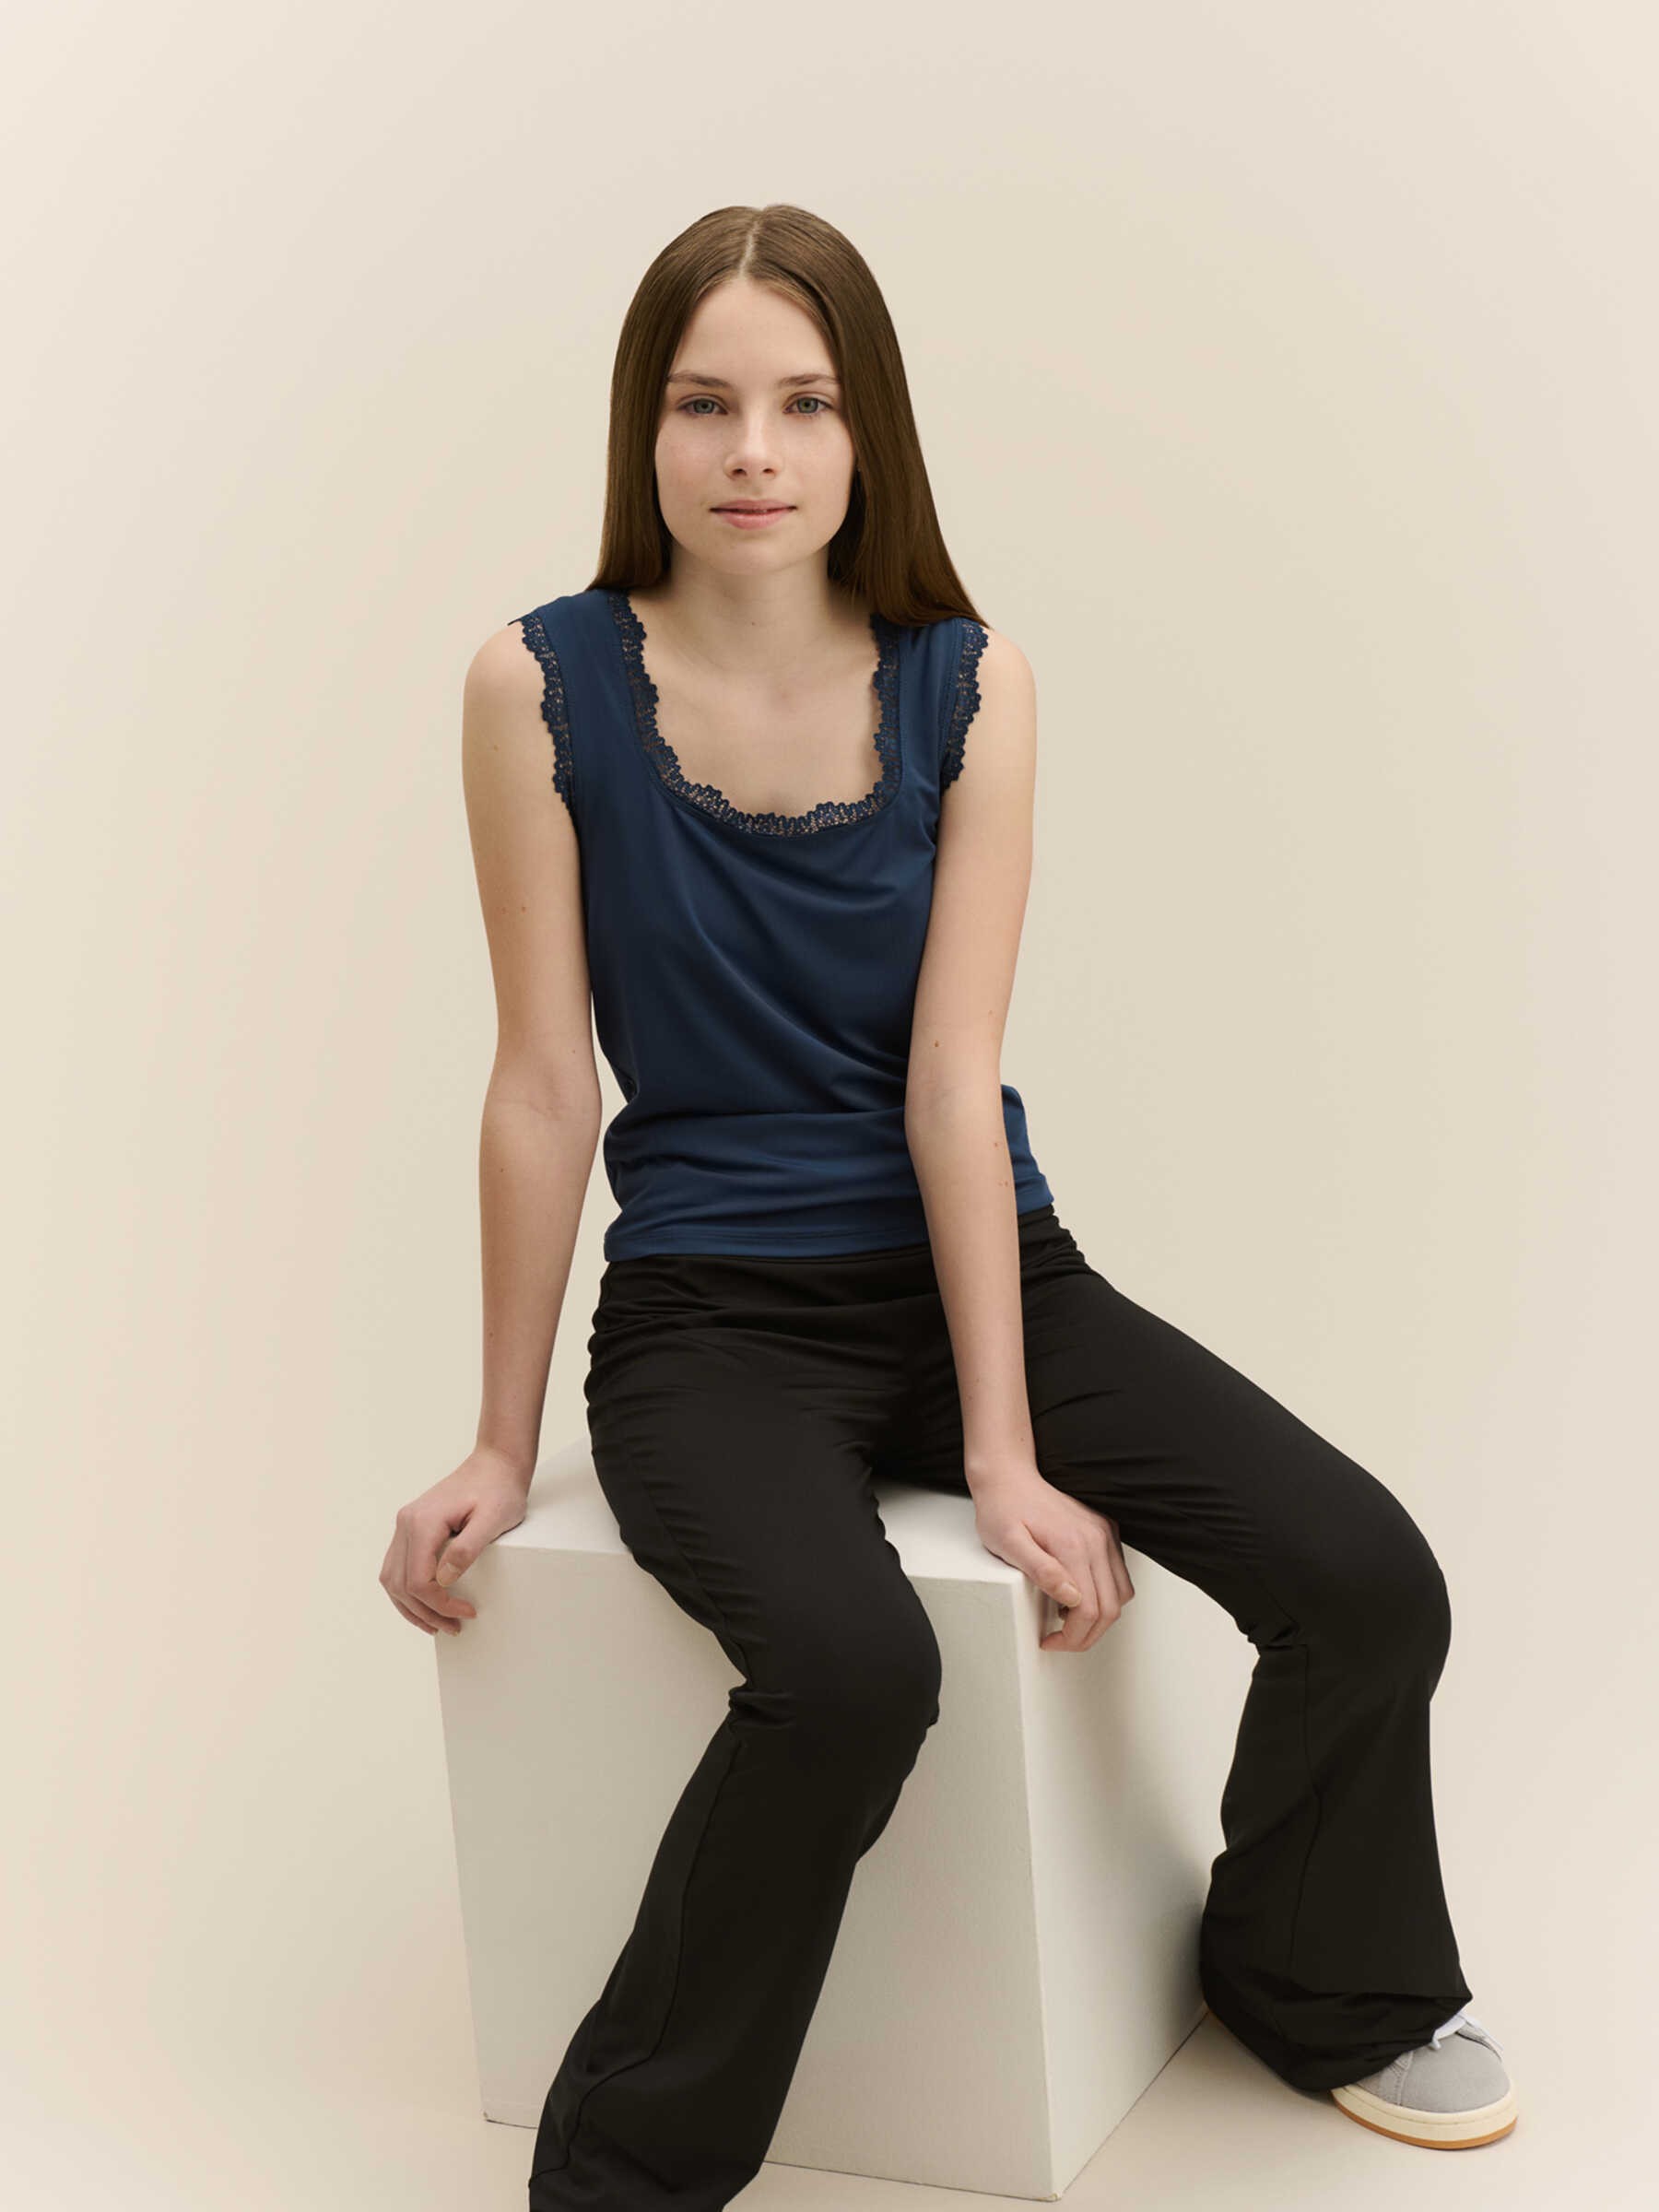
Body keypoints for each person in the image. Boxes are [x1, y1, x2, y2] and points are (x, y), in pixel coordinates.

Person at [379, 204, 1517, 2206]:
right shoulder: (534, 686)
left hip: (985, 1270)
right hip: (712, 1317)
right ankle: (626, 2166)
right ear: (644, 430)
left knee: (1366, 1578)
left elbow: (947, 1082)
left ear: (868, 433)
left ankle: (1308, 1979)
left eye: (805, 405)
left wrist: (1001, 1443)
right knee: (853, 1673)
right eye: (704, 403)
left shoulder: (967, 686)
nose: (754, 451)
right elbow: (546, 1082)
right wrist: (495, 1437)